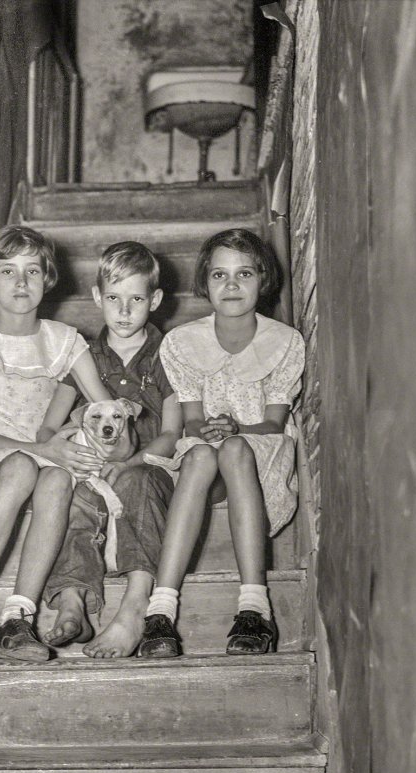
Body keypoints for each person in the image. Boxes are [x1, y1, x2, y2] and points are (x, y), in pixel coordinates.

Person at [0, 224, 109, 662]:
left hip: (45, 458)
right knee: (22, 466)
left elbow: (107, 409)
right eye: (8, 271)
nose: (21, 283)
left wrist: (92, 439)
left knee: (56, 481)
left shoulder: (65, 341)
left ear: (48, 278)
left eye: (33, 271)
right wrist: (45, 449)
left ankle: (17, 619)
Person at [138, 227, 305, 657]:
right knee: (198, 457)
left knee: (234, 449)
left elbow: (273, 423)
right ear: (205, 281)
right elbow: (192, 423)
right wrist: (208, 430)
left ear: (263, 279)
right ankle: (160, 611)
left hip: (261, 454)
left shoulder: (285, 342)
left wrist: (235, 431)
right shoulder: (181, 343)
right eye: (219, 275)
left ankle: (254, 607)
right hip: (208, 457)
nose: (231, 285)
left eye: (244, 274)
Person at [42, 241, 183, 658]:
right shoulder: (84, 356)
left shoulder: (167, 353)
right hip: (92, 469)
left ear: (155, 300)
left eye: (136, 299)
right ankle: (73, 599)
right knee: (75, 496)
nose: (124, 311)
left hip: (150, 467)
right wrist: (63, 447)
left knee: (137, 483)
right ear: (96, 298)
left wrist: (131, 462)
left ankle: (135, 608)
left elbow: (172, 432)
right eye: (114, 299)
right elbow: (49, 425)